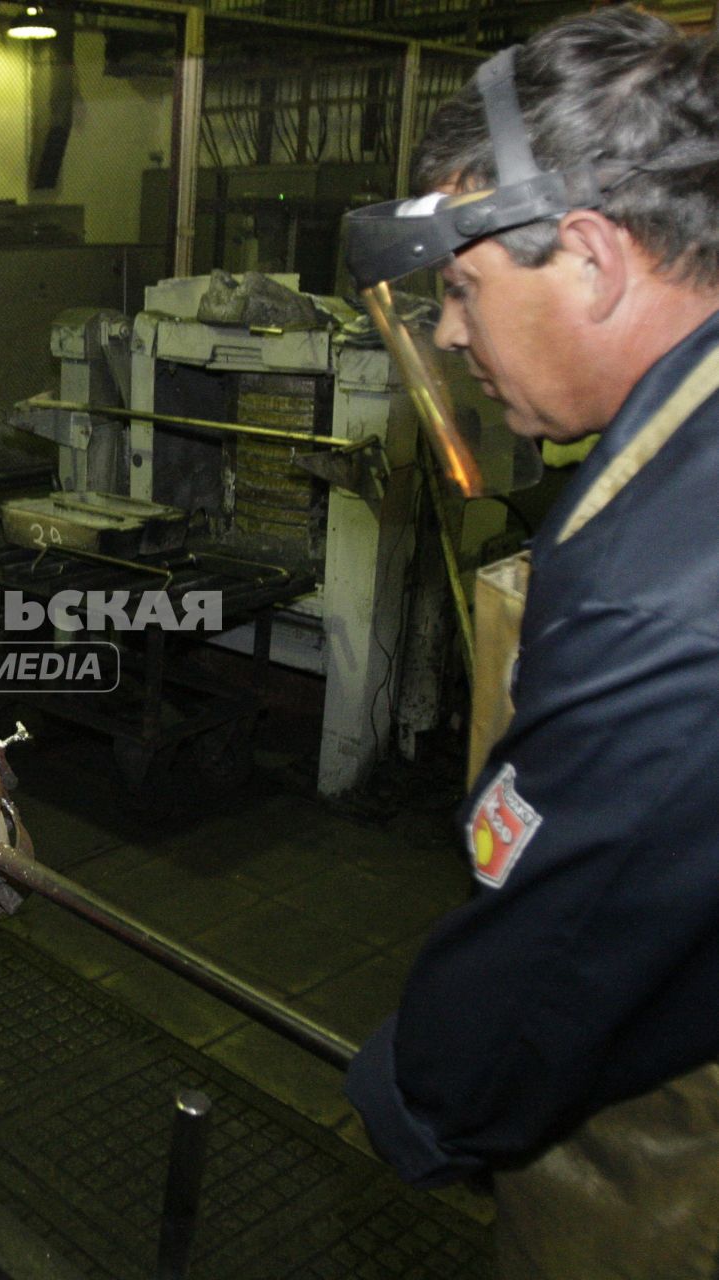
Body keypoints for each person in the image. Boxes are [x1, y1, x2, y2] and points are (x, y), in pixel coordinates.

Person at [340, 9, 719, 1275]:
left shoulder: (667, 578)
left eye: (460, 288)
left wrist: (420, 1093)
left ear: (594, 258)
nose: (449, 333)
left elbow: (571, 934)